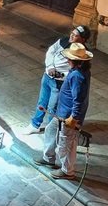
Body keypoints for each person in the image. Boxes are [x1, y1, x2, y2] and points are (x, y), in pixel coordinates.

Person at [34, 41, 92, 179]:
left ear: (75, 60)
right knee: (50, 130)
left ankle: (67, 171)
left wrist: (74, 117)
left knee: (68, 143)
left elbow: (78, 99)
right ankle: (48, 158)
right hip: (61, 112)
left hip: (68, 116)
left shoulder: (78, 76)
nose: (67, 59)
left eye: (69, 58)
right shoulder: (77, 71)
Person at [23, 24, 91, 134]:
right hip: (47, 77)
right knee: (42, 101)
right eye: (72, 33)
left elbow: (76, 74)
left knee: (52, 107)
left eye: (75, 35)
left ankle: (51, 131)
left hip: (59, 83)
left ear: (83, 39)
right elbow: (51, 51)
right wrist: (50, 67)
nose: (71, 36)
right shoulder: (64, 40)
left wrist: (61, 75)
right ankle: (35, 124)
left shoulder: (82, 55)